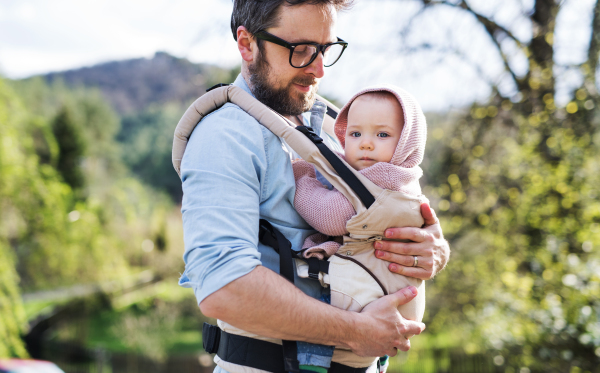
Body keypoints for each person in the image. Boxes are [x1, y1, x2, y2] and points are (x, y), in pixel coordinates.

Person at [178, 0, 450, 371]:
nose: (319, 69)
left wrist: (426, 249)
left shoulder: (332, 130)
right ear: (247, 44)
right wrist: (354, 331)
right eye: (301, 50)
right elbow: (224, 288)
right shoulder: (225, 136)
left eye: (326, 49)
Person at [291, 86, 429, 370]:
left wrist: (303, 175)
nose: (366, 144)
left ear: (407, 142)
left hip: (366, 299)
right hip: (384, 294)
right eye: (355, 134)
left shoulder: (384, 177)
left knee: (317, 310)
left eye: (382, 135)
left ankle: (311, 365)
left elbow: (329, 216)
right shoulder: (405, 179)